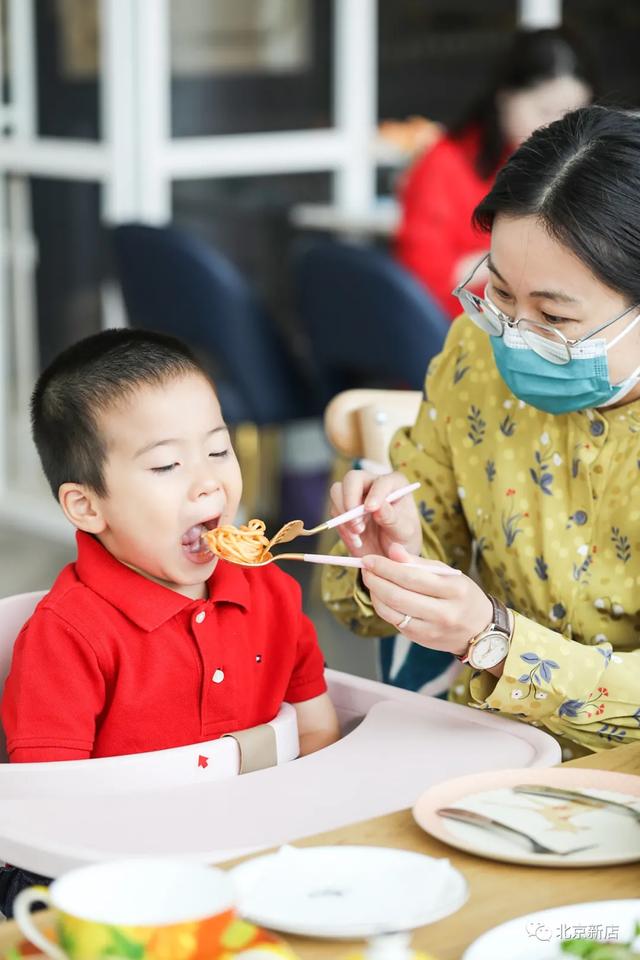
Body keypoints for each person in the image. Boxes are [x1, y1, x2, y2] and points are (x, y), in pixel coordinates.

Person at [324, 105, 640, 758]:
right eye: (498, 293)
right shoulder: (475, 354)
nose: (514, 334)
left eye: (553, 315)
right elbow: (372, 607)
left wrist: (493, 638)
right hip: (486, 749)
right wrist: (394, 551)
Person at [0, 328, 339, 915]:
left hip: (247, 847)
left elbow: (316, 735)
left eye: (218, 449)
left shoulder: (275, 597)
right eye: (166, 465)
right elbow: (49, 812)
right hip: (105, 873)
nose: (208, 480)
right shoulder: (68, 635)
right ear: (87, 506)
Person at [395, 27, 593, 319]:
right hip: (467, 327)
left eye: (572, 114)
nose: (557, 125)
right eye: (544, 109)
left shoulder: (583, 164)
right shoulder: (446, 162)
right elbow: (421, 280)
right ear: (504, 97)